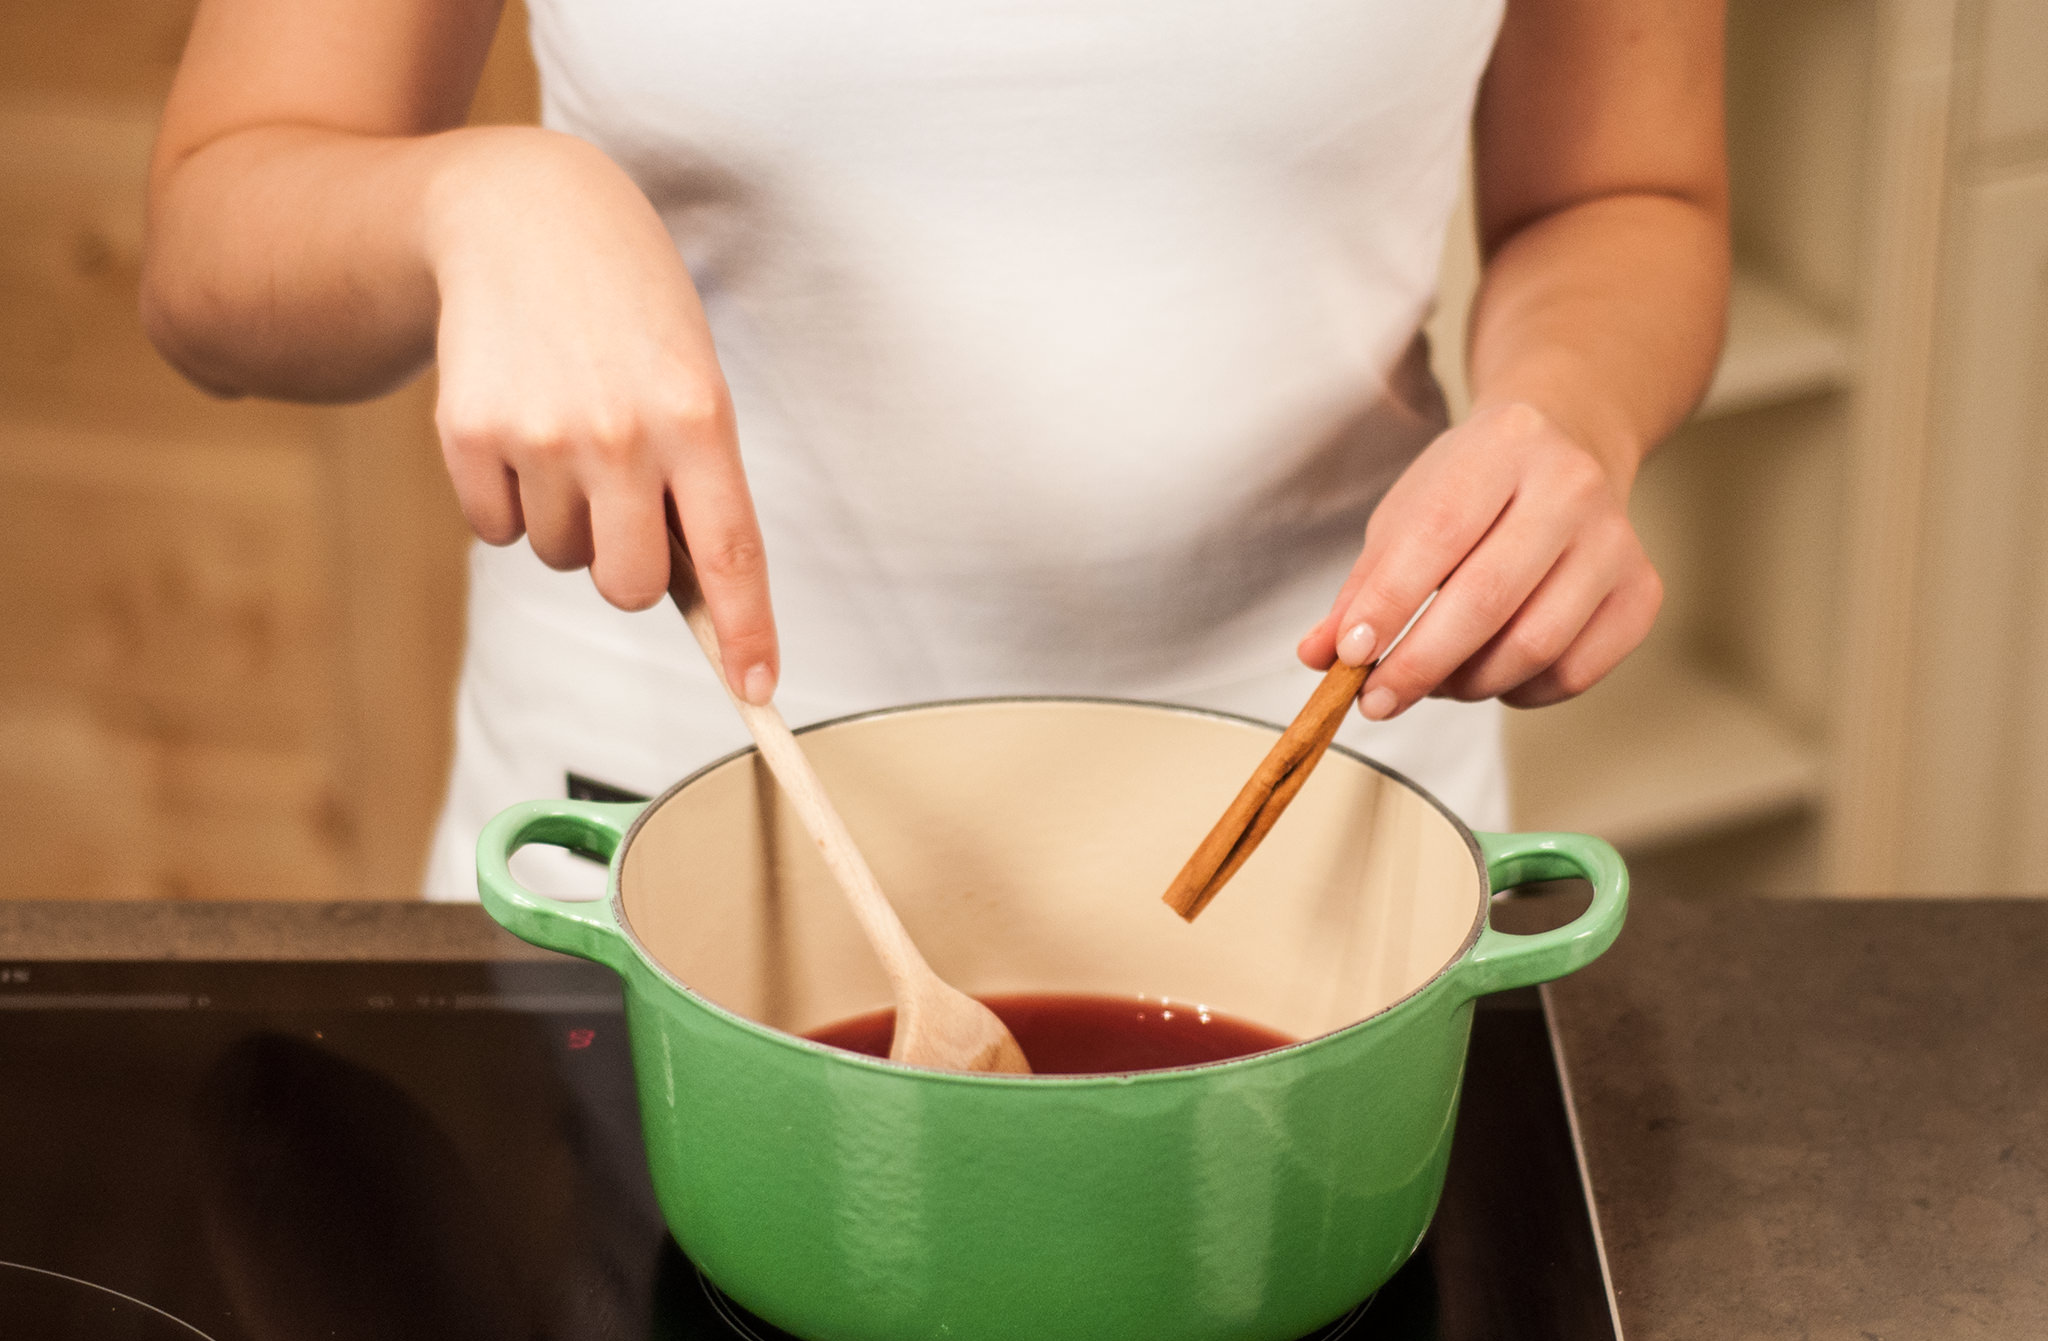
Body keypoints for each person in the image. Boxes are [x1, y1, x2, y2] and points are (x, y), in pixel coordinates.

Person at [142, 0, 1727, 899]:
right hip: (648, 841)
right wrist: (476, 198)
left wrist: (1568, 413)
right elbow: (212, 242)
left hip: (1313, 847)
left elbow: (1624, 192)